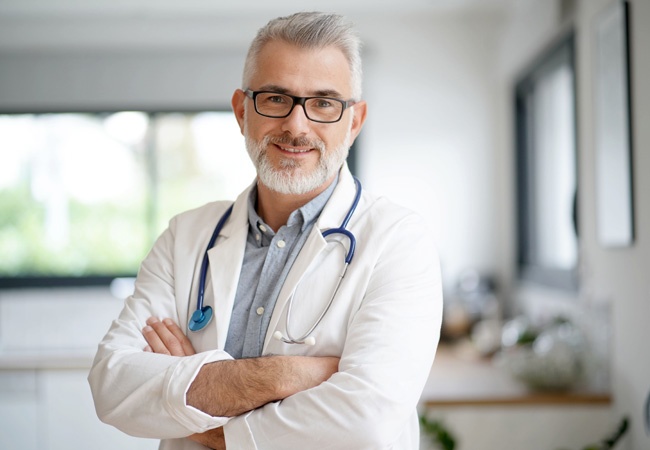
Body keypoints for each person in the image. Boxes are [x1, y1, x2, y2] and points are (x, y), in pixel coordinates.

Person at [88, 11, 442, 450]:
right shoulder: (186, 236)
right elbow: (112, 384)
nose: (297, 125)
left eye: (324, 102)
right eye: (276, 98)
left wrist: (193, 409)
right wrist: (285, 375)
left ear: (353, 122)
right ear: (242, 111)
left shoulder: (398, 241)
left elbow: (366, 421)